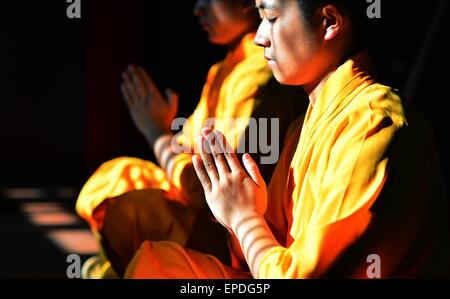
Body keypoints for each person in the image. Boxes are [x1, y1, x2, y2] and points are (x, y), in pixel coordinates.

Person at [125, 0, 448, 278]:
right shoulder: (303, 125)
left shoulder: (375, 124)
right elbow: (258, 255)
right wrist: (237, 205)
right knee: (159, 263)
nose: (260, 38)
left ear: (329, 22)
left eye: (271, 18)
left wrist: (244, 218)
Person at [76, 0, 307, 278]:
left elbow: (210, 190)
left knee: (130, 211)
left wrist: (157, 133)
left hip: (235, 236)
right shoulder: (224, 69)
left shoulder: (263, 71)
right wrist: (163, 134)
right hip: (211, 208)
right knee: (119, 175)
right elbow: (186, 149)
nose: (197, 9)